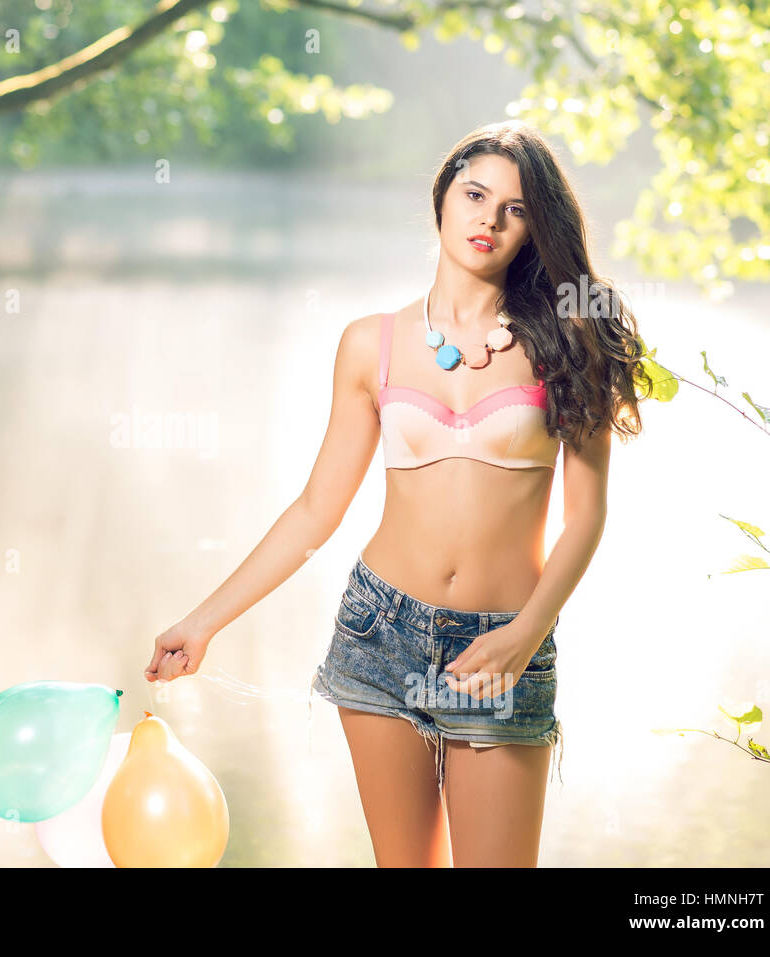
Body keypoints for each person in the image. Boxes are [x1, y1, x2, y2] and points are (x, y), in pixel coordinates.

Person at [143, 120, 649, 866]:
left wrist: (526, 633)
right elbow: (317, 509)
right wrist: (204, 619)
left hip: (503, 642)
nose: (489, 219)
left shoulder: (569, 339)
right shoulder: (367, 343)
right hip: (379, 632)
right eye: (475, 195)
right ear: (442, 199)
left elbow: (586, 517)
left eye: (514, 209)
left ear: (535, 228)